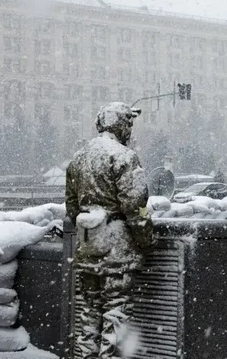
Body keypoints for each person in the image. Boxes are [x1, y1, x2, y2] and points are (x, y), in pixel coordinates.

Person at [65, 102, 155, 358]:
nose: (130, 130)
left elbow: (72, 208)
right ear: (120, 125)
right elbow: (136, 207)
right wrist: (147, 239)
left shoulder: (79, 157)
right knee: (117, 313)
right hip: (118, 249)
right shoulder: (124, 156)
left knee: (89, 311)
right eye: (128, 124)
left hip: (87, 247)